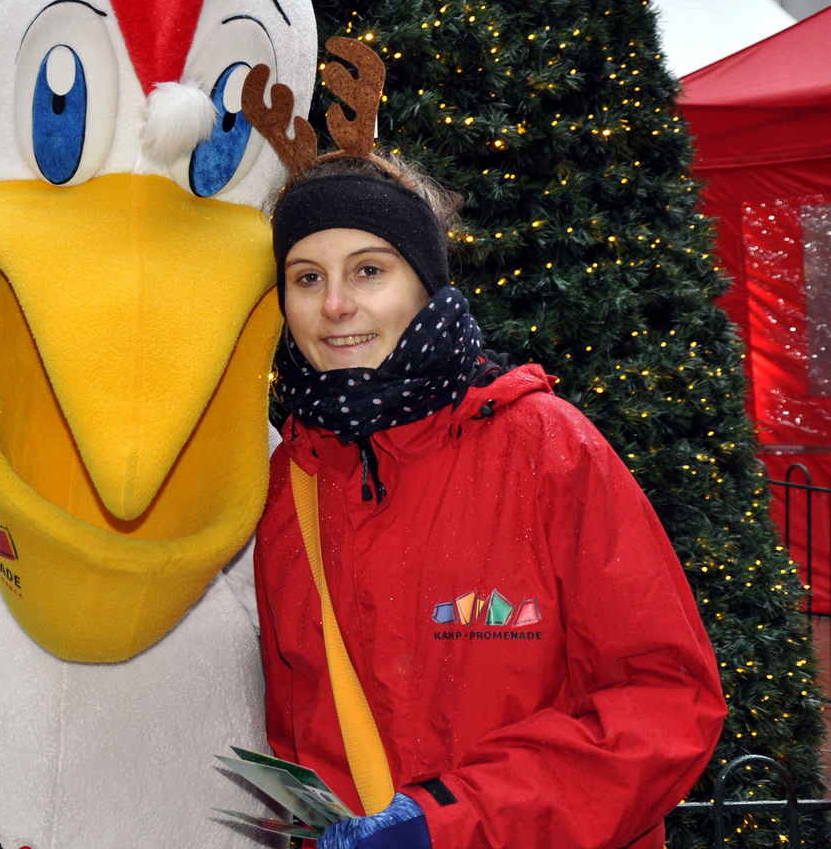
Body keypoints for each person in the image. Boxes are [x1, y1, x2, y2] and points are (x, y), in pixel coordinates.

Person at [254, 149, 726, 849]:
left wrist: (448, 822)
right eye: (306, 277)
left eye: (369, 271)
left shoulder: (548, 450)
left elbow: (666, 702)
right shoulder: (284, 482)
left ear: (427, 285)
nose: (334, 305)